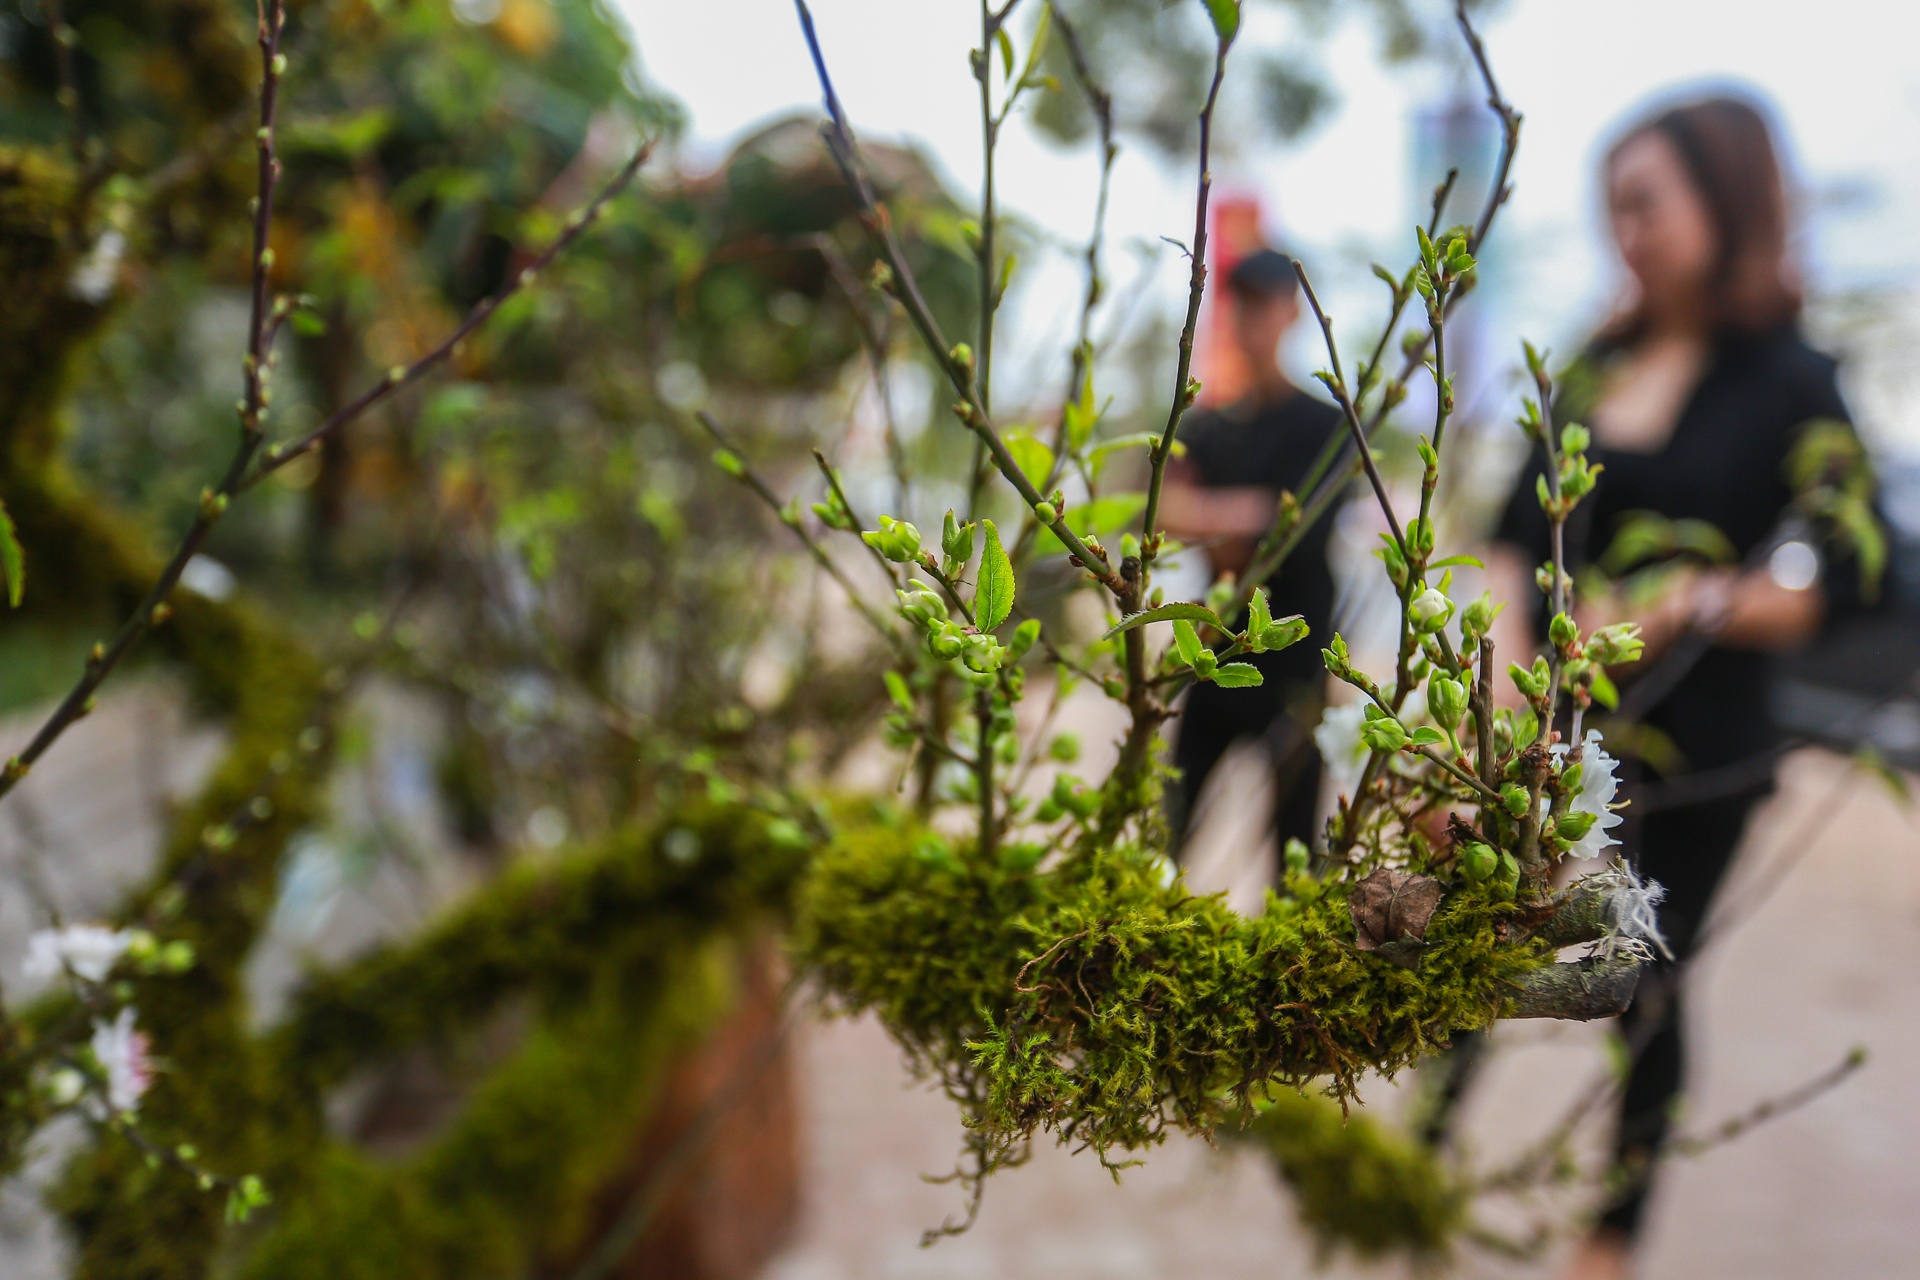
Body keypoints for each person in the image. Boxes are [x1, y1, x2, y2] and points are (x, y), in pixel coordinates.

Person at [1483, 96, 1869, 1279]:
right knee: (1481, 930)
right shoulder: (1592, 365)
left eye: (1646, 201)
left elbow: (1842, 569)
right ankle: (1416, 1146)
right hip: (1556, 732)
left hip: (1702, 751)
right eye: (1612, 209)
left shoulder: (1793, 379)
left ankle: (1610, 1237)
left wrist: (1688, 602)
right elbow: (1510, 537)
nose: (1626, 232)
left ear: (1727, 197)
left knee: (1642, 972)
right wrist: (1508, 685)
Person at [1159, 248, 1344, 864]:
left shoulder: (1324, 427)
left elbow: (1294, 529)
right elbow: (1158, 509)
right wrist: (1244, 518)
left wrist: (1211, 519)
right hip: (1215, 653)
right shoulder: (1209, 426)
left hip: (1294, 662)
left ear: (1290, 312)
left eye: (1263, 304)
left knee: (1295, 847)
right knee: (1169, 822)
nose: (1249, 319)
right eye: (1240, 305)